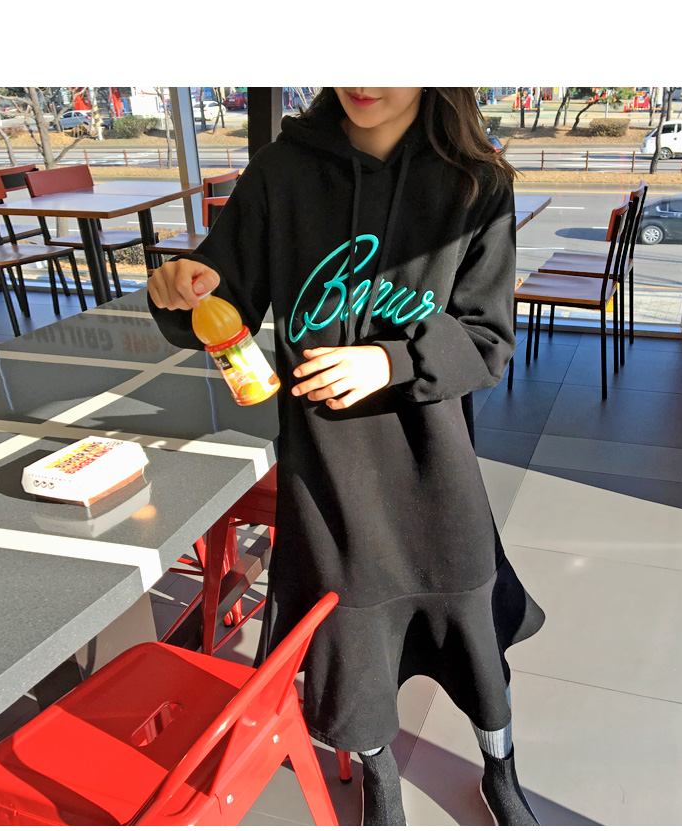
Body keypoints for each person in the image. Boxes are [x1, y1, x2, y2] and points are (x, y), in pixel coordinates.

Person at [147, 87, 545, 826]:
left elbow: (488, 341)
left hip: (436, 474)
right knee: (355, 653)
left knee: (475, 643)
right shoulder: (282, 172)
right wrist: (180, 291)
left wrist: (390, 362)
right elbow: (222, 303)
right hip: (327, 476)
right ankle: (378, 775)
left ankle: (501, 767)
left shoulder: (476, 182)